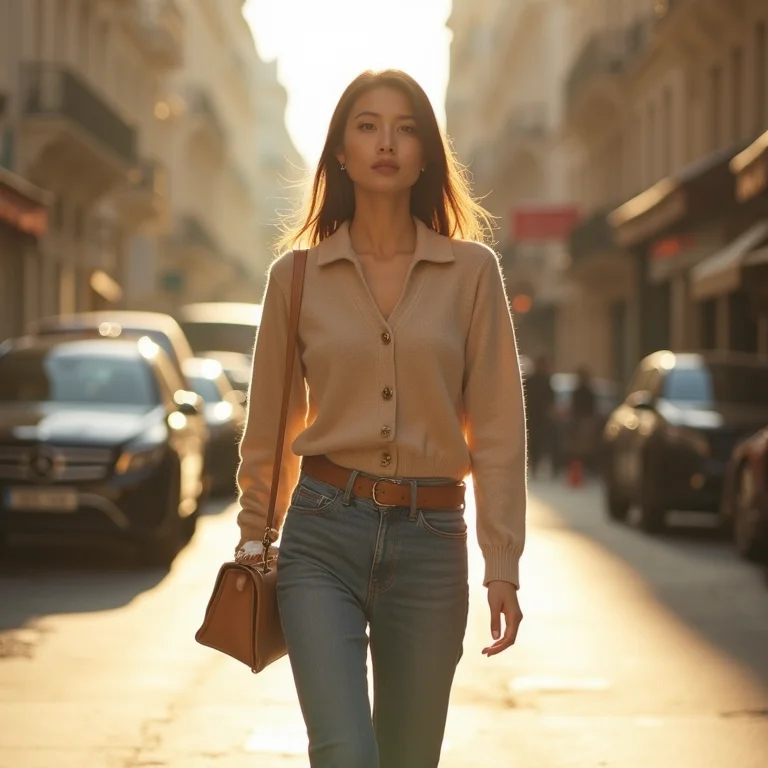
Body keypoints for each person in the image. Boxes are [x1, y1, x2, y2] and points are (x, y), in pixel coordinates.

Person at [234, 70, 527, 768]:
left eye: (406, 127)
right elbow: (270, 423)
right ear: (339, 150)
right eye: (367, 125)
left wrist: (503, 565)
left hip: (431, 544)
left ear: (427, 152)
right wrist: (254, 535)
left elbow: (499, 430)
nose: (386, 142)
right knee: (343, 751)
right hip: (321, 536)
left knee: (408, 757)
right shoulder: (294, 277)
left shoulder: (473, 272)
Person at [524, 355, 554, 478]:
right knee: (531, 443)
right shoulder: (530, 381)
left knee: (540, 443)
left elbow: (551, 400)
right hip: (531, 417)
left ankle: (536, 465)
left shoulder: (546, 381)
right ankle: (532, 464)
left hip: (542, 418)